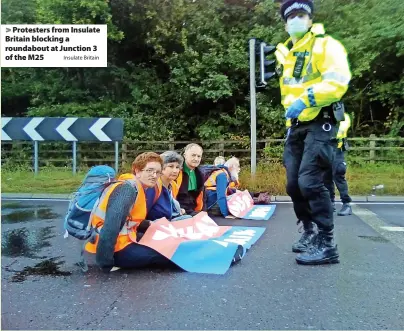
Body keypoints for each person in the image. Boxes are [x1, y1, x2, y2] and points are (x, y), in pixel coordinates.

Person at [275, 0, 351, 264]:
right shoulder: (287, 53)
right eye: (291, 16)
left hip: (320, 121)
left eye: (301, 15)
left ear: (309, 19)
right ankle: (309, 231)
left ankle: (327, 242)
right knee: (293, 184)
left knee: (310, 181)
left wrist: (306, 99)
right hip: (296, 127)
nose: (296, 20)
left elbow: (337, 82)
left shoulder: (325, 45)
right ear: (285, 23)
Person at [85, 152, 173, 271]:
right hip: (113, 249)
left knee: (164, 243)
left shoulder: (138, 188)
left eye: (157, 172)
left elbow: (129, 220)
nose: (154, 175)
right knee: (166, 254)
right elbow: (110, 228)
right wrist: (106, 264)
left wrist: (149, 225)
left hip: (125, 240)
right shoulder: (127, 190)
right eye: (149, 170)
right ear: (137, 171)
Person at [147, 151, 191, 221]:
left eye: (177, 167)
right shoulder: (153, 187)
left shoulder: (173, 186)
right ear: (161, 168)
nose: (175, 171)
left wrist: (179, 210)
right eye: (171, 166)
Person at [324, 113, 353, 216]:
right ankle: (330, 203)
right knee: (326, 176)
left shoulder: (341, 115)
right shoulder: (322, 115)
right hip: (325, 149)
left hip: (337, 149)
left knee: (338, 174)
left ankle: (347, 204)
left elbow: (343, 127)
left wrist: (335, 135)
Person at [175, 143, 205, 216]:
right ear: (185, 155)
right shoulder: (176, 172)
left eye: (199, 156)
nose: (196, 159)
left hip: (193, 209)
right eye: (193, 155)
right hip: (178, 209)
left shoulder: (200, 174)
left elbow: (201, 197)